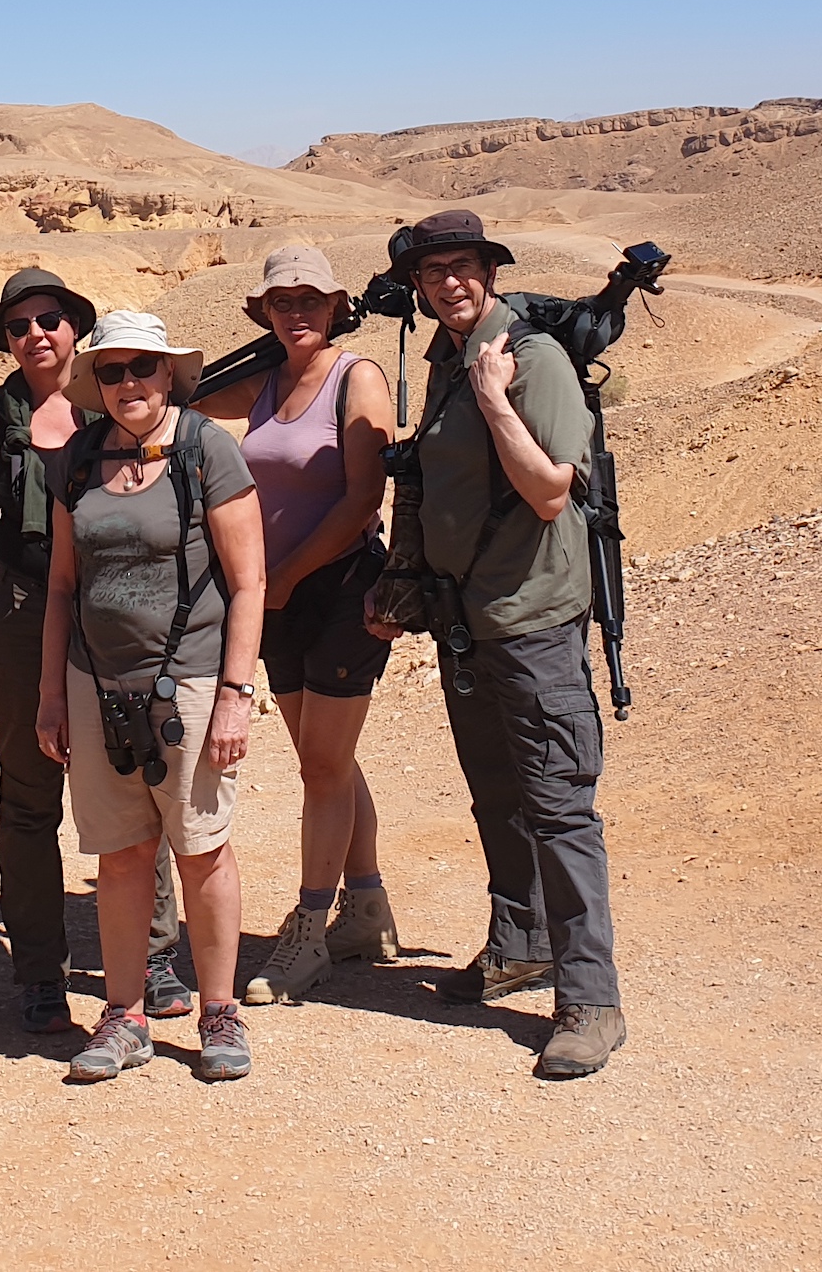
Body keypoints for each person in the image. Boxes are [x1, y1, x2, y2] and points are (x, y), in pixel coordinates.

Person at [367, 210, 627, 1078]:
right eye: (432, 271)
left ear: (490, 268)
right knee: (494, 794)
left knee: (557, 803)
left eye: (464, 265)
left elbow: (551, 489)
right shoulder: (447, 359)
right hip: (466, 620)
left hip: (533, 623)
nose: (449, 282)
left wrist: (492, 396)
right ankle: (520, 942)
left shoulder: (533, 361)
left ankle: (590, 998)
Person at [0, 271, 194, 1033]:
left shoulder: (112, 405)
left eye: (49, 318)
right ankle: (41, 972)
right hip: (22, 609)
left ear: (74, 328)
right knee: (28, 796)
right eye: (19, 326)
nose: (36, 334)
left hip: (112, 604)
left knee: (137, 773)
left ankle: (153, 958)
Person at [35, 312, 265, 1082]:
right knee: (123, 853)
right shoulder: (76, 461)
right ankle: (124, 1014)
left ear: (169, 373)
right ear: (96, 384)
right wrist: (50, 694)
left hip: (193, 680)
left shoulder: (207, 449)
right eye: (112, 371)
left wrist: (236, 692)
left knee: (201, 849)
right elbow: (63, 584)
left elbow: (249, 581)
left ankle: (219, 1010)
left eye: (142, 367)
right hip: (95, 682)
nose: (128, 382)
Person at [193, 246, 399, 1005]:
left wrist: (282, 577)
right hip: (275, 599)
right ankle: (368, 907)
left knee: (322, 765)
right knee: (327, 760)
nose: (296, 311)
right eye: (282, 301)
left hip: (339, 589)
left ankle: (310, 929)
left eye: (310, 299)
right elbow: (180, 398)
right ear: (264, 312)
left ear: (335, 304)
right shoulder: (264, 380)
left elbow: (359, 501)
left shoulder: (357, 377)